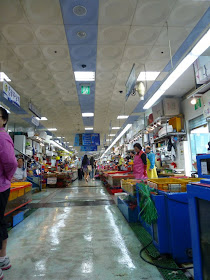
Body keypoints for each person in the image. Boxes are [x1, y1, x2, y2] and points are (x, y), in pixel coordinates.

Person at [0, 107, 17, 278]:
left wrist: (6, 177)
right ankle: (2, 259)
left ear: (4, 120)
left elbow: (11, 163)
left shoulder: (1, 136)